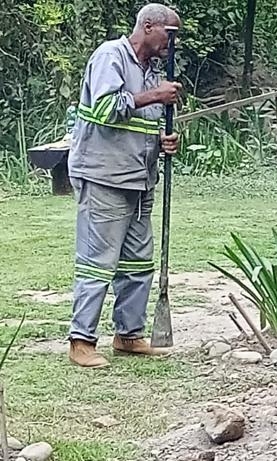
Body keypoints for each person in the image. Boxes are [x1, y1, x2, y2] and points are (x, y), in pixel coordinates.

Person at [67, 3, 182, 368]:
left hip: (139, 179)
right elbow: (105, 110)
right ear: (148, 27)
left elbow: (141, 122)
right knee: (98, 262)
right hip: (105, 176)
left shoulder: (152, 70)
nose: (173, 44)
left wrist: (163, 140)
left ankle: (129, 335)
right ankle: (81, 341)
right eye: (170, 34)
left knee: (138, 263)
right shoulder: (110, 56)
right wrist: (156, 95)